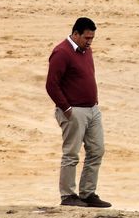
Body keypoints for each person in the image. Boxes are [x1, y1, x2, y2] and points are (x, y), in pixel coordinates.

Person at [45, 17, 109, 208]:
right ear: (75, 34)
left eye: (92, 38)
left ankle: (88, 193)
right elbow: (51, 84)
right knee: (71, 153)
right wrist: (66, 108)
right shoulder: (61, 52)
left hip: (92, 109)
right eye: (86, 37)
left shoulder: (86, 51)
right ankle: (68, 196)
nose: (89, 41)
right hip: (74, 111)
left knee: (97, 150)